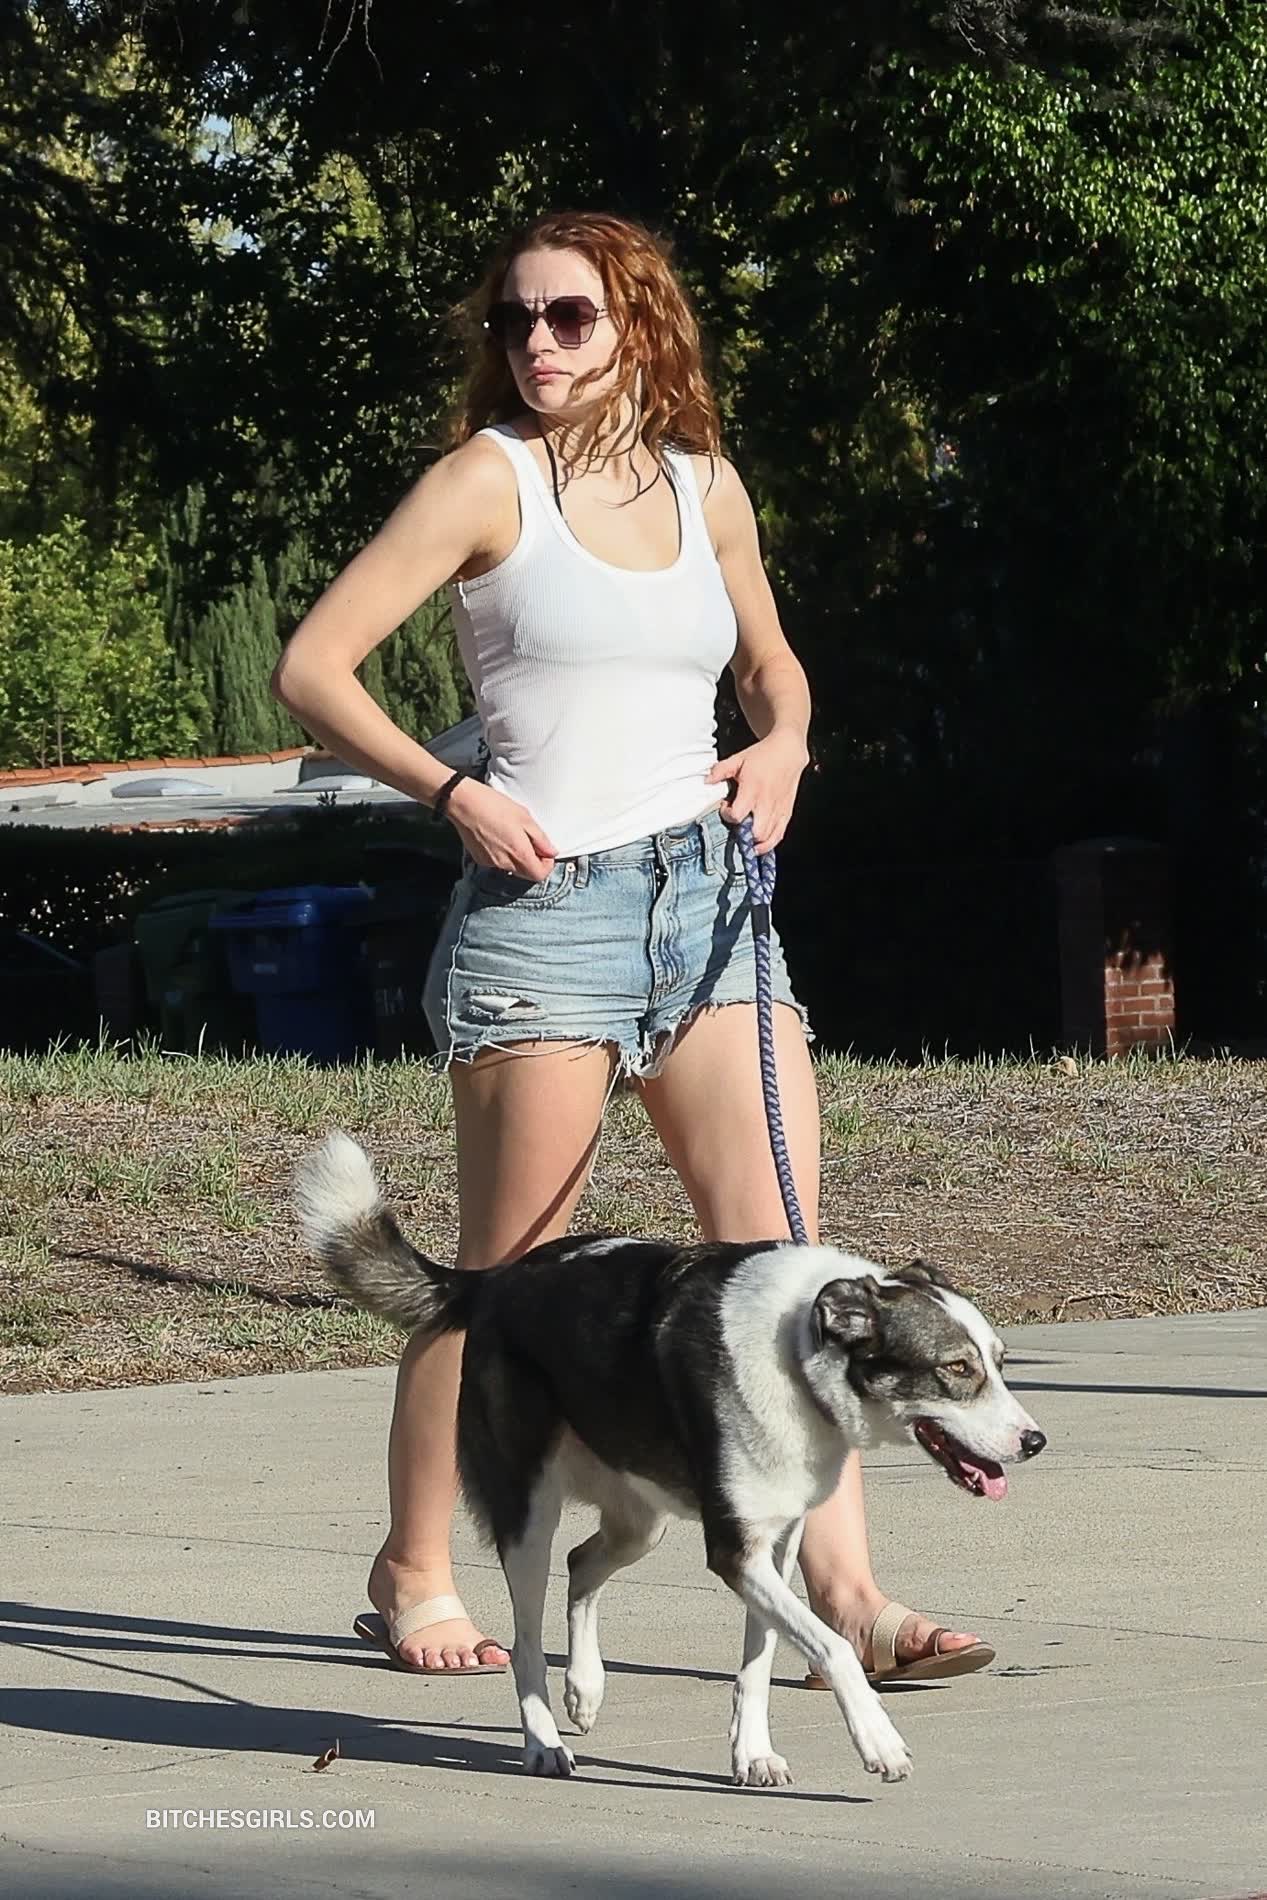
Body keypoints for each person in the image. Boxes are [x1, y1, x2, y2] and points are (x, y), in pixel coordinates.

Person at [272, 210, 994, 1690]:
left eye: (570, 317)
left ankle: (849, 1598)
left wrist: (782, 744)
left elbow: (771, 664)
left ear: (639, 326)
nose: (536, 343)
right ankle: (414, 1570)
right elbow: (312, 668)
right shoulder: (486, 481)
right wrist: (455, 793)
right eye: (516, 320)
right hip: (549, 915)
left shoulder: (703, 483)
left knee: (794, 1271)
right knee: (501, 1283)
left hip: (711, 909)